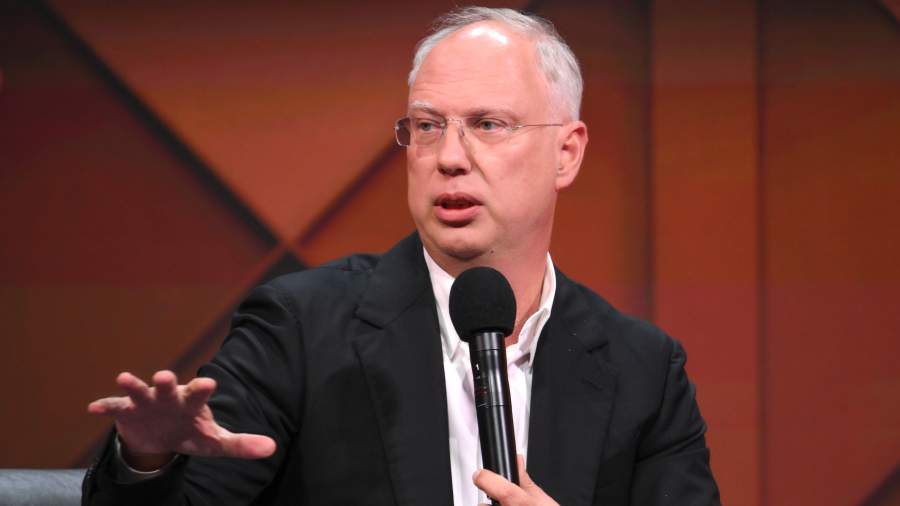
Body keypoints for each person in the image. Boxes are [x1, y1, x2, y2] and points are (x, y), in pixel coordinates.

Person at [84, 7, 720, 506]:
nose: (449, 157)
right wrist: (147, 464)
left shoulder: (644, 371)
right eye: (427, 126)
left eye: (488, 124)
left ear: (567, 153)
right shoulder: (301, 329)